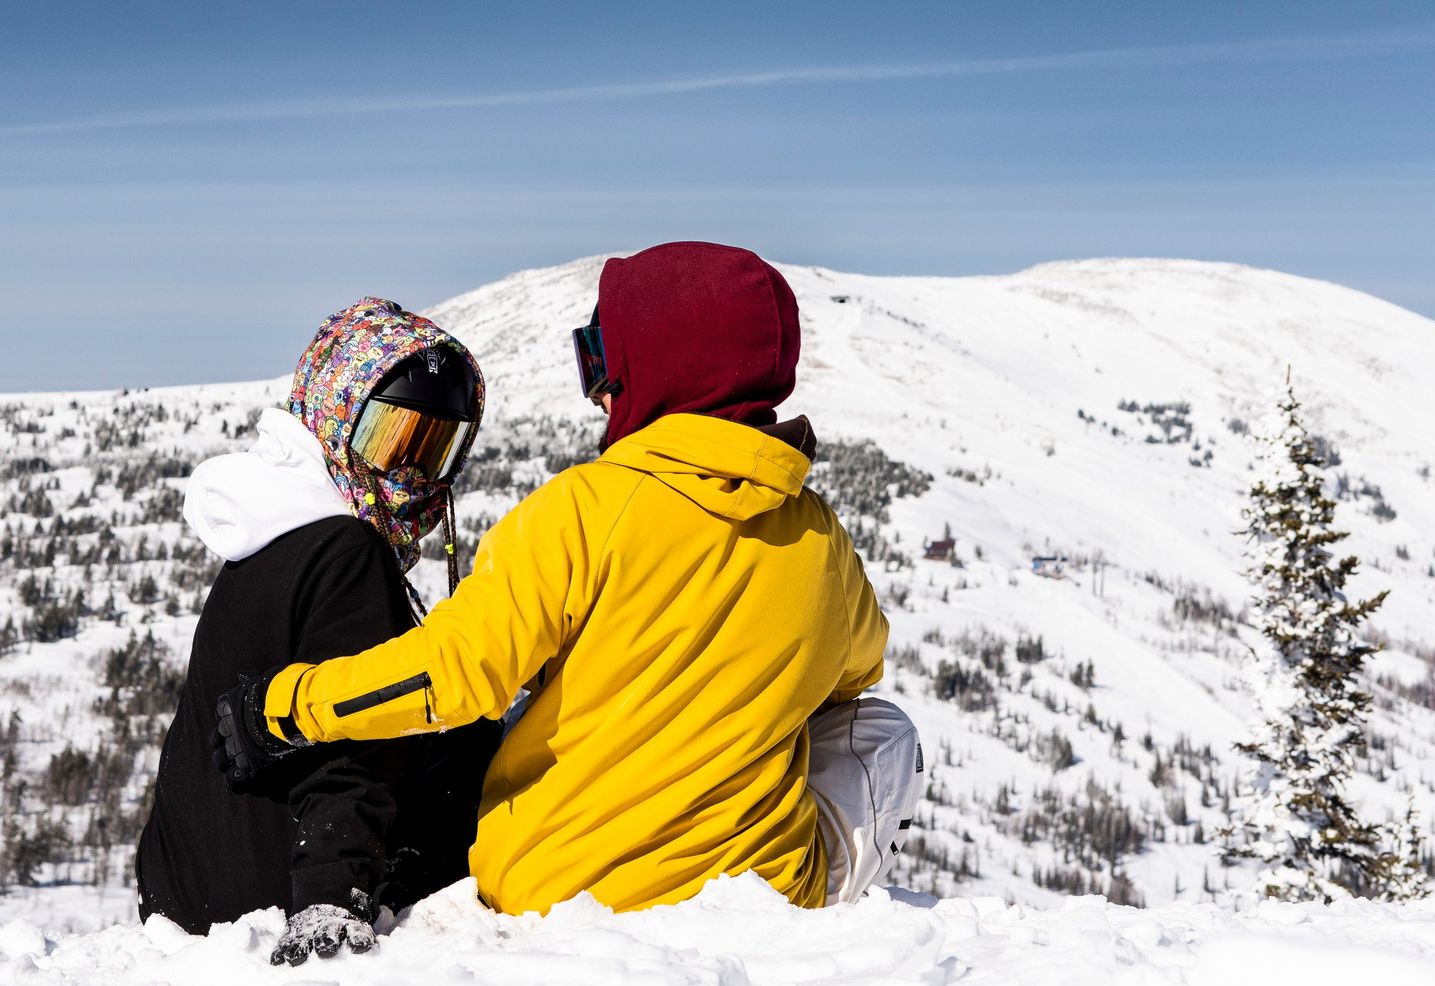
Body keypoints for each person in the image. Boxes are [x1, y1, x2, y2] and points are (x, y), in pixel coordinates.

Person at [210, 241, 914, 919]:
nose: (598, 391)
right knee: (887, 729)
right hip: (759, 897)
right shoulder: (823, 539)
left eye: (603, 358)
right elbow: (859, 672)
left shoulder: (579, 512)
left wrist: (283, 706)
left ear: (659, 368)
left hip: (556, 892)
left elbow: (452, 676)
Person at [134, 298, 501, 962]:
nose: (411, 473)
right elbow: (352, 738)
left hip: (190, 905)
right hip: (281, 896)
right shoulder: (347, 552)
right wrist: (333, 897)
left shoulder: (264, 547)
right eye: (392, 440)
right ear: (335, 417)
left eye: (434, 449)